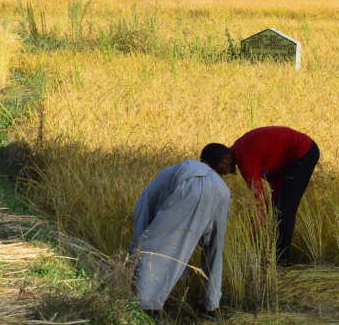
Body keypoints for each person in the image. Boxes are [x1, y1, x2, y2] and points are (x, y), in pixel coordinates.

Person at [129, 145, 233, 316]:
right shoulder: (221, 185)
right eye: (226, 163)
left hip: (187, 192)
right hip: (219, 194)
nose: (228, 169)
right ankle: (212, 305)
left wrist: (138, 242)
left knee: (154, 249)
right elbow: (212, 241)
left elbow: (146, 200)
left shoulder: (182, 167)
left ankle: (147, 306)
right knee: (215, 250)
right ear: (215, 160)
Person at [226, 126, 319, 265]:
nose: (222, 174)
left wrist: (244, 242)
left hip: (303, 152)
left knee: (283, 211)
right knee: (277, 207)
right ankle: (275, 257)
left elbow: (260, 206)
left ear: (223, 160)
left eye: (219, 170)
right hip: (285, 161)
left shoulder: (245, 158)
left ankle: (282, 261)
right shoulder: (240, 149)